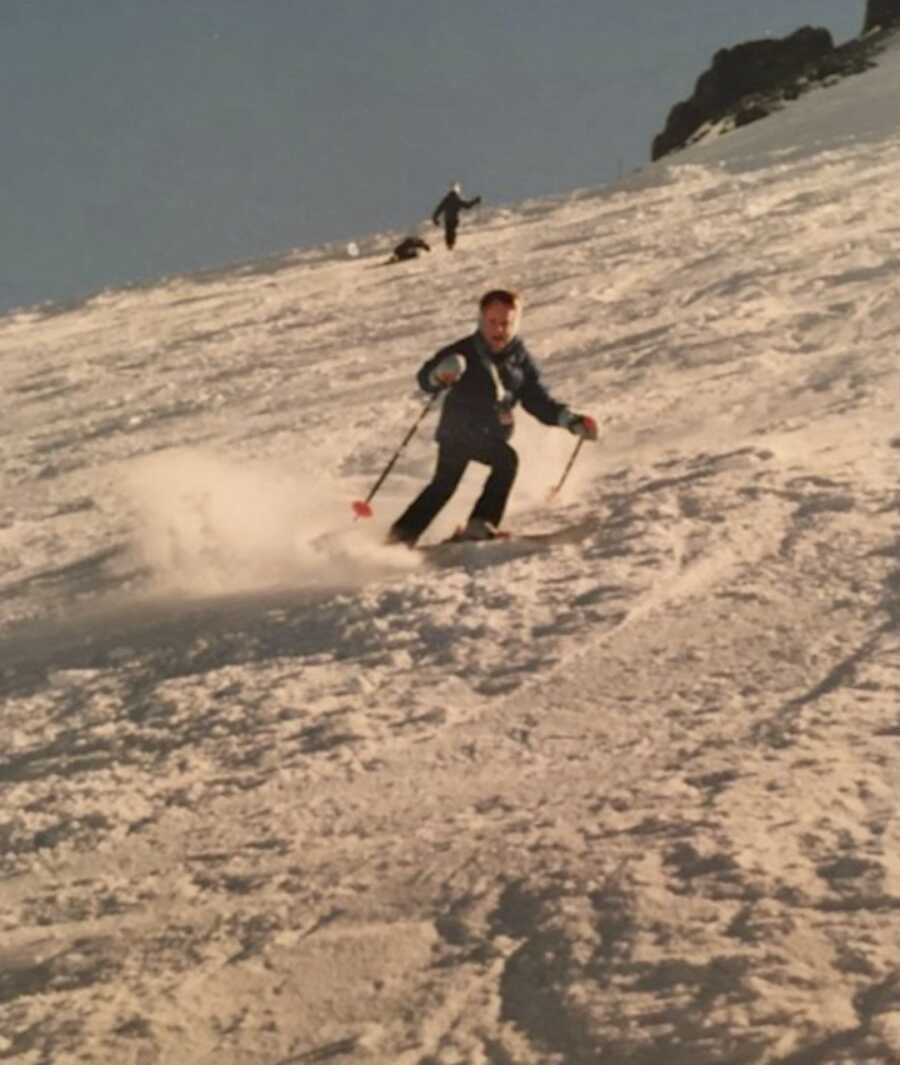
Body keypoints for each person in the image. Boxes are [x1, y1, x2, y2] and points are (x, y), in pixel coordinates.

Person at [388, 288, 597, 546]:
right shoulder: (464, 351)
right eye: (492, 322)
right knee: (502, 462)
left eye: (506, 323)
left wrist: (569, 420)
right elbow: (426, 377)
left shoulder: (519, 358)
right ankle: (477, 524)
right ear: (481, 320)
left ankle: (401, 535)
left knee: (444, 485)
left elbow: (536, 398)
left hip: (491, 432)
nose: (499, 330)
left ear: (516, 323)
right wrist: (438, 375)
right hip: (459, 431)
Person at [432, 182, 482, 249]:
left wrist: (435, 218)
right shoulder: (456, 199)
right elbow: (467, 205)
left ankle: (450, 244)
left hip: (448, 219)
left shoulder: (447, 200)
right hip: (453, 219)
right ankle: (450, 244)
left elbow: (439, 209)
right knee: (451, 230)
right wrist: (475, 201)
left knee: (449, 230)